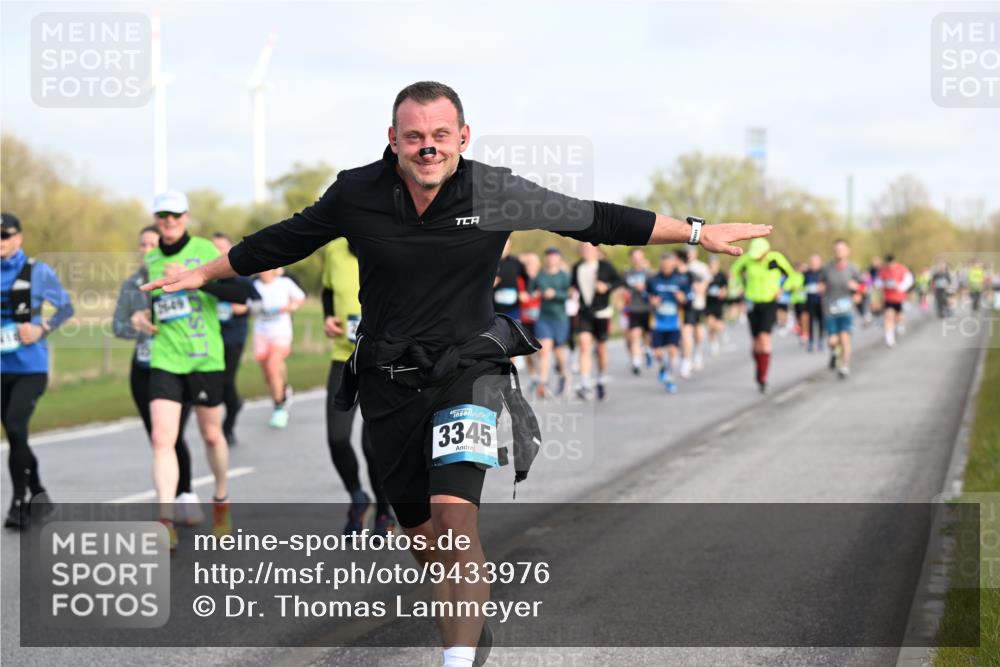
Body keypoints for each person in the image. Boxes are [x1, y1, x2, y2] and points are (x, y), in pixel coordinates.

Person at [143, 81, 770, 666]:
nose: (428, 147)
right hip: (387, 380)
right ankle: (472, 632)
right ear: (393, 139)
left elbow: (594, 218)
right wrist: (203, 273)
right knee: (422, 538)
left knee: (454, 515)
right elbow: (285, 240)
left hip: (468, 370)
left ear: (463, 138)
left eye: (441, 135)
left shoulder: (495, 191)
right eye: (414, 136)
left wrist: (695, 231)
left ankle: (457, 659)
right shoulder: (356, 192)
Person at [138, 191, 248, 549]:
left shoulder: (205, 249)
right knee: (161, 439)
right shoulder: (152, 258)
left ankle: (220, 499)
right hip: (166, 358)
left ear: (185, 216)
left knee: (212, 436)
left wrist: (196, 277)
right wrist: (143, 317)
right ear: (156, 218)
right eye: (162, 215)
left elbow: (241, 292)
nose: (169, 221)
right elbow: (156, 305)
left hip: (204, 358)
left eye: (175, 214)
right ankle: (165, 520)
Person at [112, 225, 202, 525]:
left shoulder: (183, 275)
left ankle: (185, 494)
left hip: (178, 366)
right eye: (143, 245)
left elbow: (202, 316)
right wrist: (135, 324)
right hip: (144, 368)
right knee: (159, 437)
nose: (148, 249)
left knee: (171, 436)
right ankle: (172, 495)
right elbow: (117, 326)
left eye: (154, 243)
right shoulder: (133, 283)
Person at [1, 212, 74, 529]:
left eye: (5, 235)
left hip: (30, 367)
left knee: (16, 428)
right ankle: (40, 494)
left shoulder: (36, 271)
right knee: (16, 436)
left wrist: (41, 328)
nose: (0, 242)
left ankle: (19, 504)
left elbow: (66, 307)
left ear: (19, 238)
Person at [322, 238, 395, 535]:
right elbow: (328, 291)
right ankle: (357, 496)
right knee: (337, 438)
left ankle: (384, 512)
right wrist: (328, 316)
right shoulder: (334, 249)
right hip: (343, 358)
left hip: (382, 359)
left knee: (372, 444)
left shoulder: (389, 241)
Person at [729, 238, 797, 392]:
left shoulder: (776, 259)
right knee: (756, 343)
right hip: (752, 303)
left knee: (764, 339)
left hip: (769, 302)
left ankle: (763, 377)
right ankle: (759, 368)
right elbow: (733, 273)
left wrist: (782, 288)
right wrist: (741, 286)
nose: (757, 257)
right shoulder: (747, 259)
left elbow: (792, 276)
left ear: (766, 252)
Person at [211, 232, 257, 446]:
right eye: (214, 248)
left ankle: (228, 426)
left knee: (226, 381)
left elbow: (259, 303)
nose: (217, 252)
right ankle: (233, 405)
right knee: (217, 383)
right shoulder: (208, 278)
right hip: (211, 338)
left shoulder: (241, 278)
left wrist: (244, 307)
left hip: (234, 337)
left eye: (222, 248)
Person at [250, 268, 305, 428]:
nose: (264, 272)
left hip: (280, 332)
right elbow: (247, 305)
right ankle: (283, 391)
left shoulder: (285, 283)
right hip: (261, 333)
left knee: (273, 365)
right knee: (268, 375)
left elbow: (300, 298)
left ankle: (279, 407)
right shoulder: (254, 285)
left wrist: (289, 307)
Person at [571, 242, 623, 400]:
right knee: (584, 344)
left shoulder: (605, 266)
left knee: (600, 349)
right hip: (585, 312)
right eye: (582, 248)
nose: (585, 250)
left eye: (588, 248)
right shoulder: (577, 267)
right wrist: (572, 290)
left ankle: (600, 379)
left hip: (602, 312)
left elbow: (620, 282)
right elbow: (573, 285)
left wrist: (606, 287)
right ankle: (586, 384)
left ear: (596, 249)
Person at [531, 247, 572, 398]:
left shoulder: (565, 276)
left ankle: (563, 375)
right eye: (548, 256)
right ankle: (543, 383)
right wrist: (536, 293)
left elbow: (570, 294)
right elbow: (531, 290)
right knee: (544, 349)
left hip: (560, 317)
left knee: (558, 351)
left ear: (559, 258)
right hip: (543, 317)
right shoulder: (540, 276)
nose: (551, 259)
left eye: (554, 256)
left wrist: (555, 294)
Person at [819, 239, 864, 378]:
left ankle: (844, 366)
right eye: (837, 249)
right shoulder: (827, 268)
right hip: (831, 308)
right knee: (832, 340)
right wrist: (821, 289)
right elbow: (821, 283)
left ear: (847, 251)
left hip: (846, 309)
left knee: (845, 338)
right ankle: (834, 352)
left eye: (842, 249)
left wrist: (857, 290)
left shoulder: (853, 268)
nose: (839, 251)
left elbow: (863, 286)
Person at [647, 251, 689, 393]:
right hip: (658, 322)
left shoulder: (681, 280)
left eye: (668, 266)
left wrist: (682, 298)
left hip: (674, 322)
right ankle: (663, 366)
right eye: (663, 266)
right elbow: (647, 295)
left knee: (672, 350)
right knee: (657, 353)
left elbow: (688, 296)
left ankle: (670, 378)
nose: (665, 268)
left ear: (673, 265)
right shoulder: (653, 280)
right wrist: (652, 301)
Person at [622, 248, 653, 375]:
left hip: (648, 309)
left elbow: (656, 289)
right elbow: (622, 289)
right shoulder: (627, 274)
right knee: (635, 336)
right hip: (634, 309)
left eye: (640, 257)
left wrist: (645, 288)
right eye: (635, 258)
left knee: (647, 337)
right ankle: (636, 363)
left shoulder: (650, 274)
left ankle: (647, 350)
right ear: (631, 259)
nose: (637, 260)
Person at [681, 246, 710, 374]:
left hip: (697, 303)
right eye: (686, 252)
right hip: (683, 304)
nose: (688, 254)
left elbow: (704, 285)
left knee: (697, 329)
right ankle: (686, 360)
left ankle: (697, 352)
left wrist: (697, 287)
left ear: (695, 253)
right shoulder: (681, 266)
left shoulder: (701, 267)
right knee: (686, 331)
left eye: (691, 252)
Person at [517, 252, 542, 391]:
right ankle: (534, 377)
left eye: (533, 264)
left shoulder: (542, 278)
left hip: (541, 318)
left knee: (542, 349)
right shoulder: (521, 279)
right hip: (525, 318)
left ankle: (542, 376)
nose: (530, 266)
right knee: (529, 350)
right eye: (527, 264)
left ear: (538, 265)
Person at [878, 254, 913, 347]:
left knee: (898, 317)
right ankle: (890, 338)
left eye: (891, 263)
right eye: (888, 263)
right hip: (888, 298)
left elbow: (909, 280)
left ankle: (900, 324)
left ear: (894, 261)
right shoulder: (883, 271)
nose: (890, 265)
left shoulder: (902, 269)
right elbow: (879, 282)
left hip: (899, 297)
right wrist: (882, 285)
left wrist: (900, 287)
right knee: (889, 316)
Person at [493, 239, 528, 321]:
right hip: (494, 309)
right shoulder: (490, 261)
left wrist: (525, 291)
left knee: (513, 332)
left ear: (510, 246)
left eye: (506, 245)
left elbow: (527, 278)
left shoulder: (516, 262)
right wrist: (489, 283)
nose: (504, 247)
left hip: (513, 308)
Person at [704, 255, 729, 356]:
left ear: (717, 264)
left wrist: (722, 293)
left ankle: (723, 331)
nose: (712, 266)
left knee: (718, 326)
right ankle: (713, 344)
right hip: (708, 303)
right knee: (710, 325)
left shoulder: (721, 275)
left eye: (714, 264)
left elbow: (725, 289)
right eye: (710, 264)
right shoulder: (706, 275)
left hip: (718, 304)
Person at [802, 254, 825, 353]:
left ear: (820, 263)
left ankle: (820, 341)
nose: (813, 264)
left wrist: (823, 288)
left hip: (821, 301)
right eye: (812, 262)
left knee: (821, 322)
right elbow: (801, 285)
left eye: (816, 262)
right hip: (809, 301)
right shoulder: (806, 274)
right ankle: (811, 342)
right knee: (810, 322)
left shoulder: (823, 273)